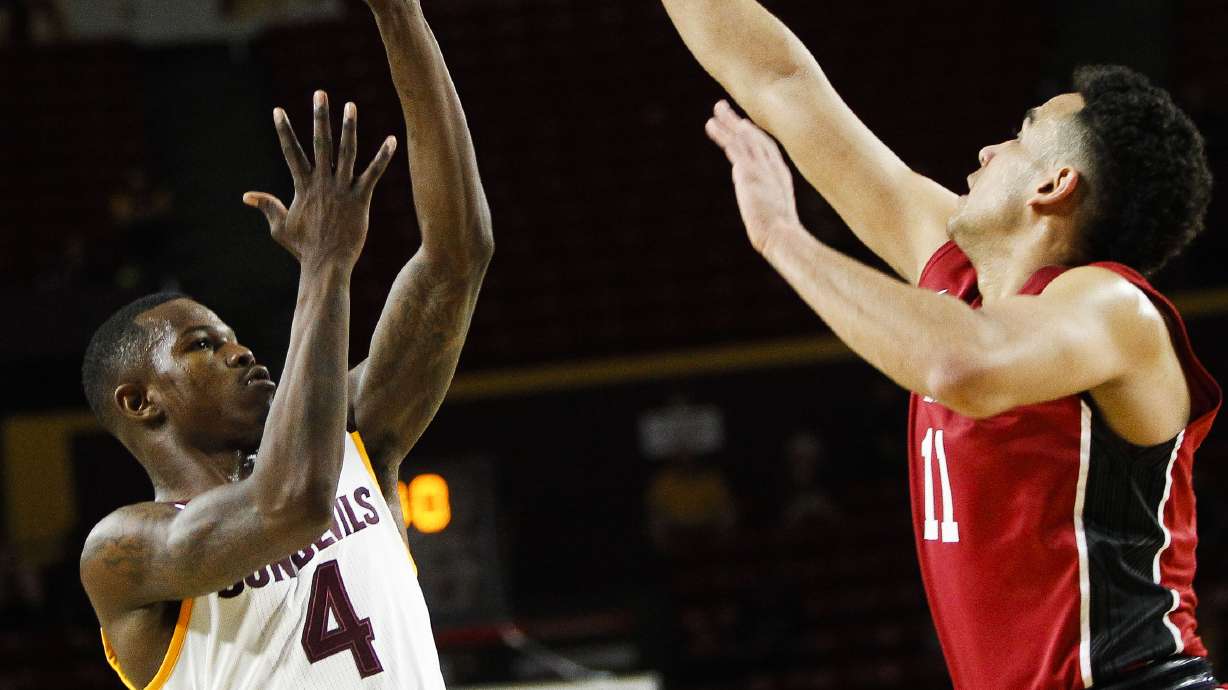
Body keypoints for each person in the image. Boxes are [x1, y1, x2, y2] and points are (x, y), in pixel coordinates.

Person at [661, 2, 1220, 689]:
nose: (988, 152)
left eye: (1021, 135)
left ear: (1053, 185)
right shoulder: (960, 281)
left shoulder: (1112, 307)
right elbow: (780, 81)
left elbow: (960, 365)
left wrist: (784, 238)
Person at [77, 0, 493, 686]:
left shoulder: (352, 439)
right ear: (140, 401)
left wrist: (400, 16)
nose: (241, 353)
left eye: (234, 339)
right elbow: (290, 504)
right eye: (202, 346)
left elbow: (456, 256)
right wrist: (325, 264)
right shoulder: (126, 551)